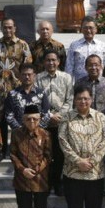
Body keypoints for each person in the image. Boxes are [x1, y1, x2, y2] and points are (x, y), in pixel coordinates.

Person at [58, 85, 105, 208]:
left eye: (86, 98)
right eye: (80, 98)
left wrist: (92, 161)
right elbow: (62, 141)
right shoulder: (67, 118)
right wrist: (78, 161)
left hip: (95, 174)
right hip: (73, 173)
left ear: (91, 99)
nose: (83, 101)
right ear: (74, 100)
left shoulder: (100, 117)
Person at [10, 104, 51, 208]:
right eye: (28, 119)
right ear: (23, 119)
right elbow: (13, 154)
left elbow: (48, 156)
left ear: (40, 119)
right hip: (22, 180)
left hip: (41, 180)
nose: (31, 122)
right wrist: (22, 170)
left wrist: (38, 169)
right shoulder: (16, 134)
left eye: (35, 119)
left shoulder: (45, 134)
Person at [35, 51, 73, 196]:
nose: (51, 63)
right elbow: (37, 99)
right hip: (43, 123)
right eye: (48, 60)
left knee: (59, 155)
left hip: (61, 123)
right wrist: (48, 115)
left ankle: (58, 183)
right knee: (44, 154)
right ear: (44, 62)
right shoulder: (38, 78)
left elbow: (70, 100)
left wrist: (59, 115)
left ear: (58, 62)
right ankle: (46, 183)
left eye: (53, 60)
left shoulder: (66, 78)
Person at [0, 16, 32, 93]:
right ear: (1, 29)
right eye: (5, 27)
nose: (7, 30)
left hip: (17, 87)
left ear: (14, 28)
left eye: (10, 27)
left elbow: (27, 66)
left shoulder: (23, 45)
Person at [4, 63, 51, 132]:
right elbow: (9, 116)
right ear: (19, 76)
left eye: (29, 74)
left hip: (38, 134)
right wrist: (21, 130)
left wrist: (37, 129)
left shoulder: (41, 93)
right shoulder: (12, 94)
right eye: (24, 74)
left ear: (34, 76)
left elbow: (46, 114)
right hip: (19, 135)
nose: (27, 77)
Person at [74, 54, 105, 122]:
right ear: (85, 67)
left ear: (101, 66)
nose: (93, 67)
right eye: (90, 65)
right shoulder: (79, 83)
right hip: (82, 121)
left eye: (96, 65)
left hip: (103, 121)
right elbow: (75, 103)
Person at [65, 16, 105, 82]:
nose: (88, 30)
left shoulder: (103, 46)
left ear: (96, 29)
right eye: (85, 28)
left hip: (99, 84)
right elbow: (69, 67)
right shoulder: (74, 45)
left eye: (91, 28)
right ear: (81, 29)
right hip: (80, 84)